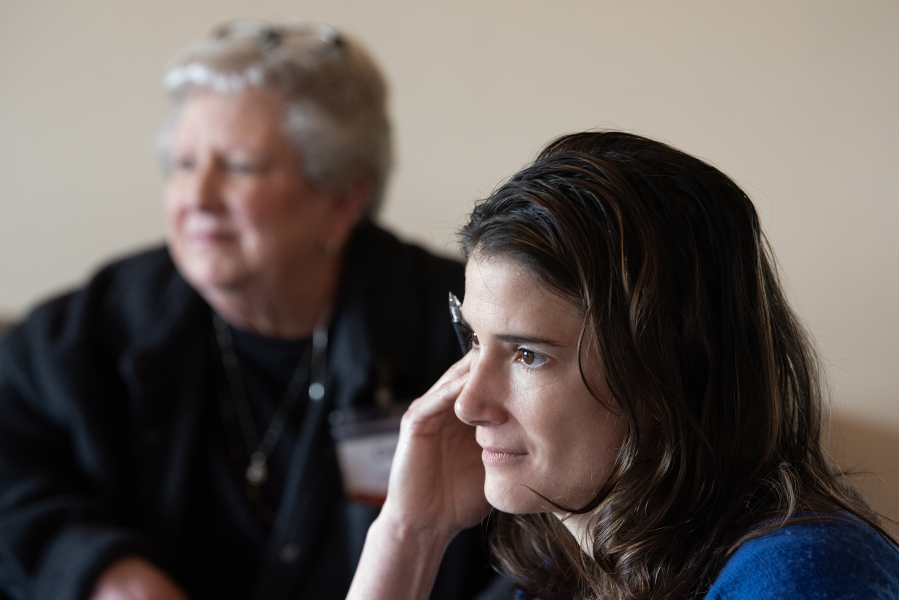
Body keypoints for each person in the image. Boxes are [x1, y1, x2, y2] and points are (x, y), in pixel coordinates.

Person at [0, 21, 506, 600]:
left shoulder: (462, 329)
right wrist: (97, 571)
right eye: (184, 165)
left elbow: (542, 539)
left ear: (343, 199)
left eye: (240, 166)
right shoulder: (95, 327)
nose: (198, 198)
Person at [347, 131, 899, 599]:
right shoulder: (563, 570)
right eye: (472, 340)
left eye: (528, 354)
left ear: (666, 370)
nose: (468, 403)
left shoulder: (802, 576)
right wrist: (409, 531)